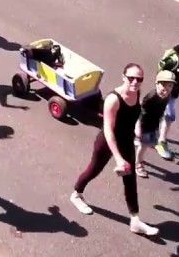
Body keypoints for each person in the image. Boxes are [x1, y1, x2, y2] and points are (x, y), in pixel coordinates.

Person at [69, 63, 161, 236]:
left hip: (126, 140)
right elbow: (108, 131)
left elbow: (133, 115)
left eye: (139, 79)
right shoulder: (113, 99)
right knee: (94, 170)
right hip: (107, 141)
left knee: (130, 179)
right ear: (123, 77)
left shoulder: (136, 92)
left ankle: (135, 220)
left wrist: (137, 130)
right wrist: (118, 159)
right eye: (131, 78)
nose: (135, 82)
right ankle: (76, 193)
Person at [135, 70, 175, 178]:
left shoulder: (167, 95)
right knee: (143, 146)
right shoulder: (150, 97)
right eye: (163, 85)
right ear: (157, 83)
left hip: (154, 124)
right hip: (145, 125)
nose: (166, 88)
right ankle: (138, 164)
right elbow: (139, 111)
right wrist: (138, 126)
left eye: (170, 85)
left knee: (147, 142)